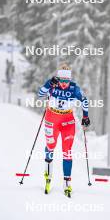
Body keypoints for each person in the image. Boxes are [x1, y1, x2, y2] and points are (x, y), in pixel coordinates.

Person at [38, 63, 90, 197]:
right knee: (50, 146)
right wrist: (49, 84)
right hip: (52, 119)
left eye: (67, 80)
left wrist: (85, 117)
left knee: (67, 151)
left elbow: (84, 100)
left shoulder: (74, 88)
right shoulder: (52, 84)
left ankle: (67, 182)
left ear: (70, 79)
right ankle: (48, 176)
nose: (64, 84)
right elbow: (40, 94)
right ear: (58, 78)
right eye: (62, 80)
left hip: (67, 121)